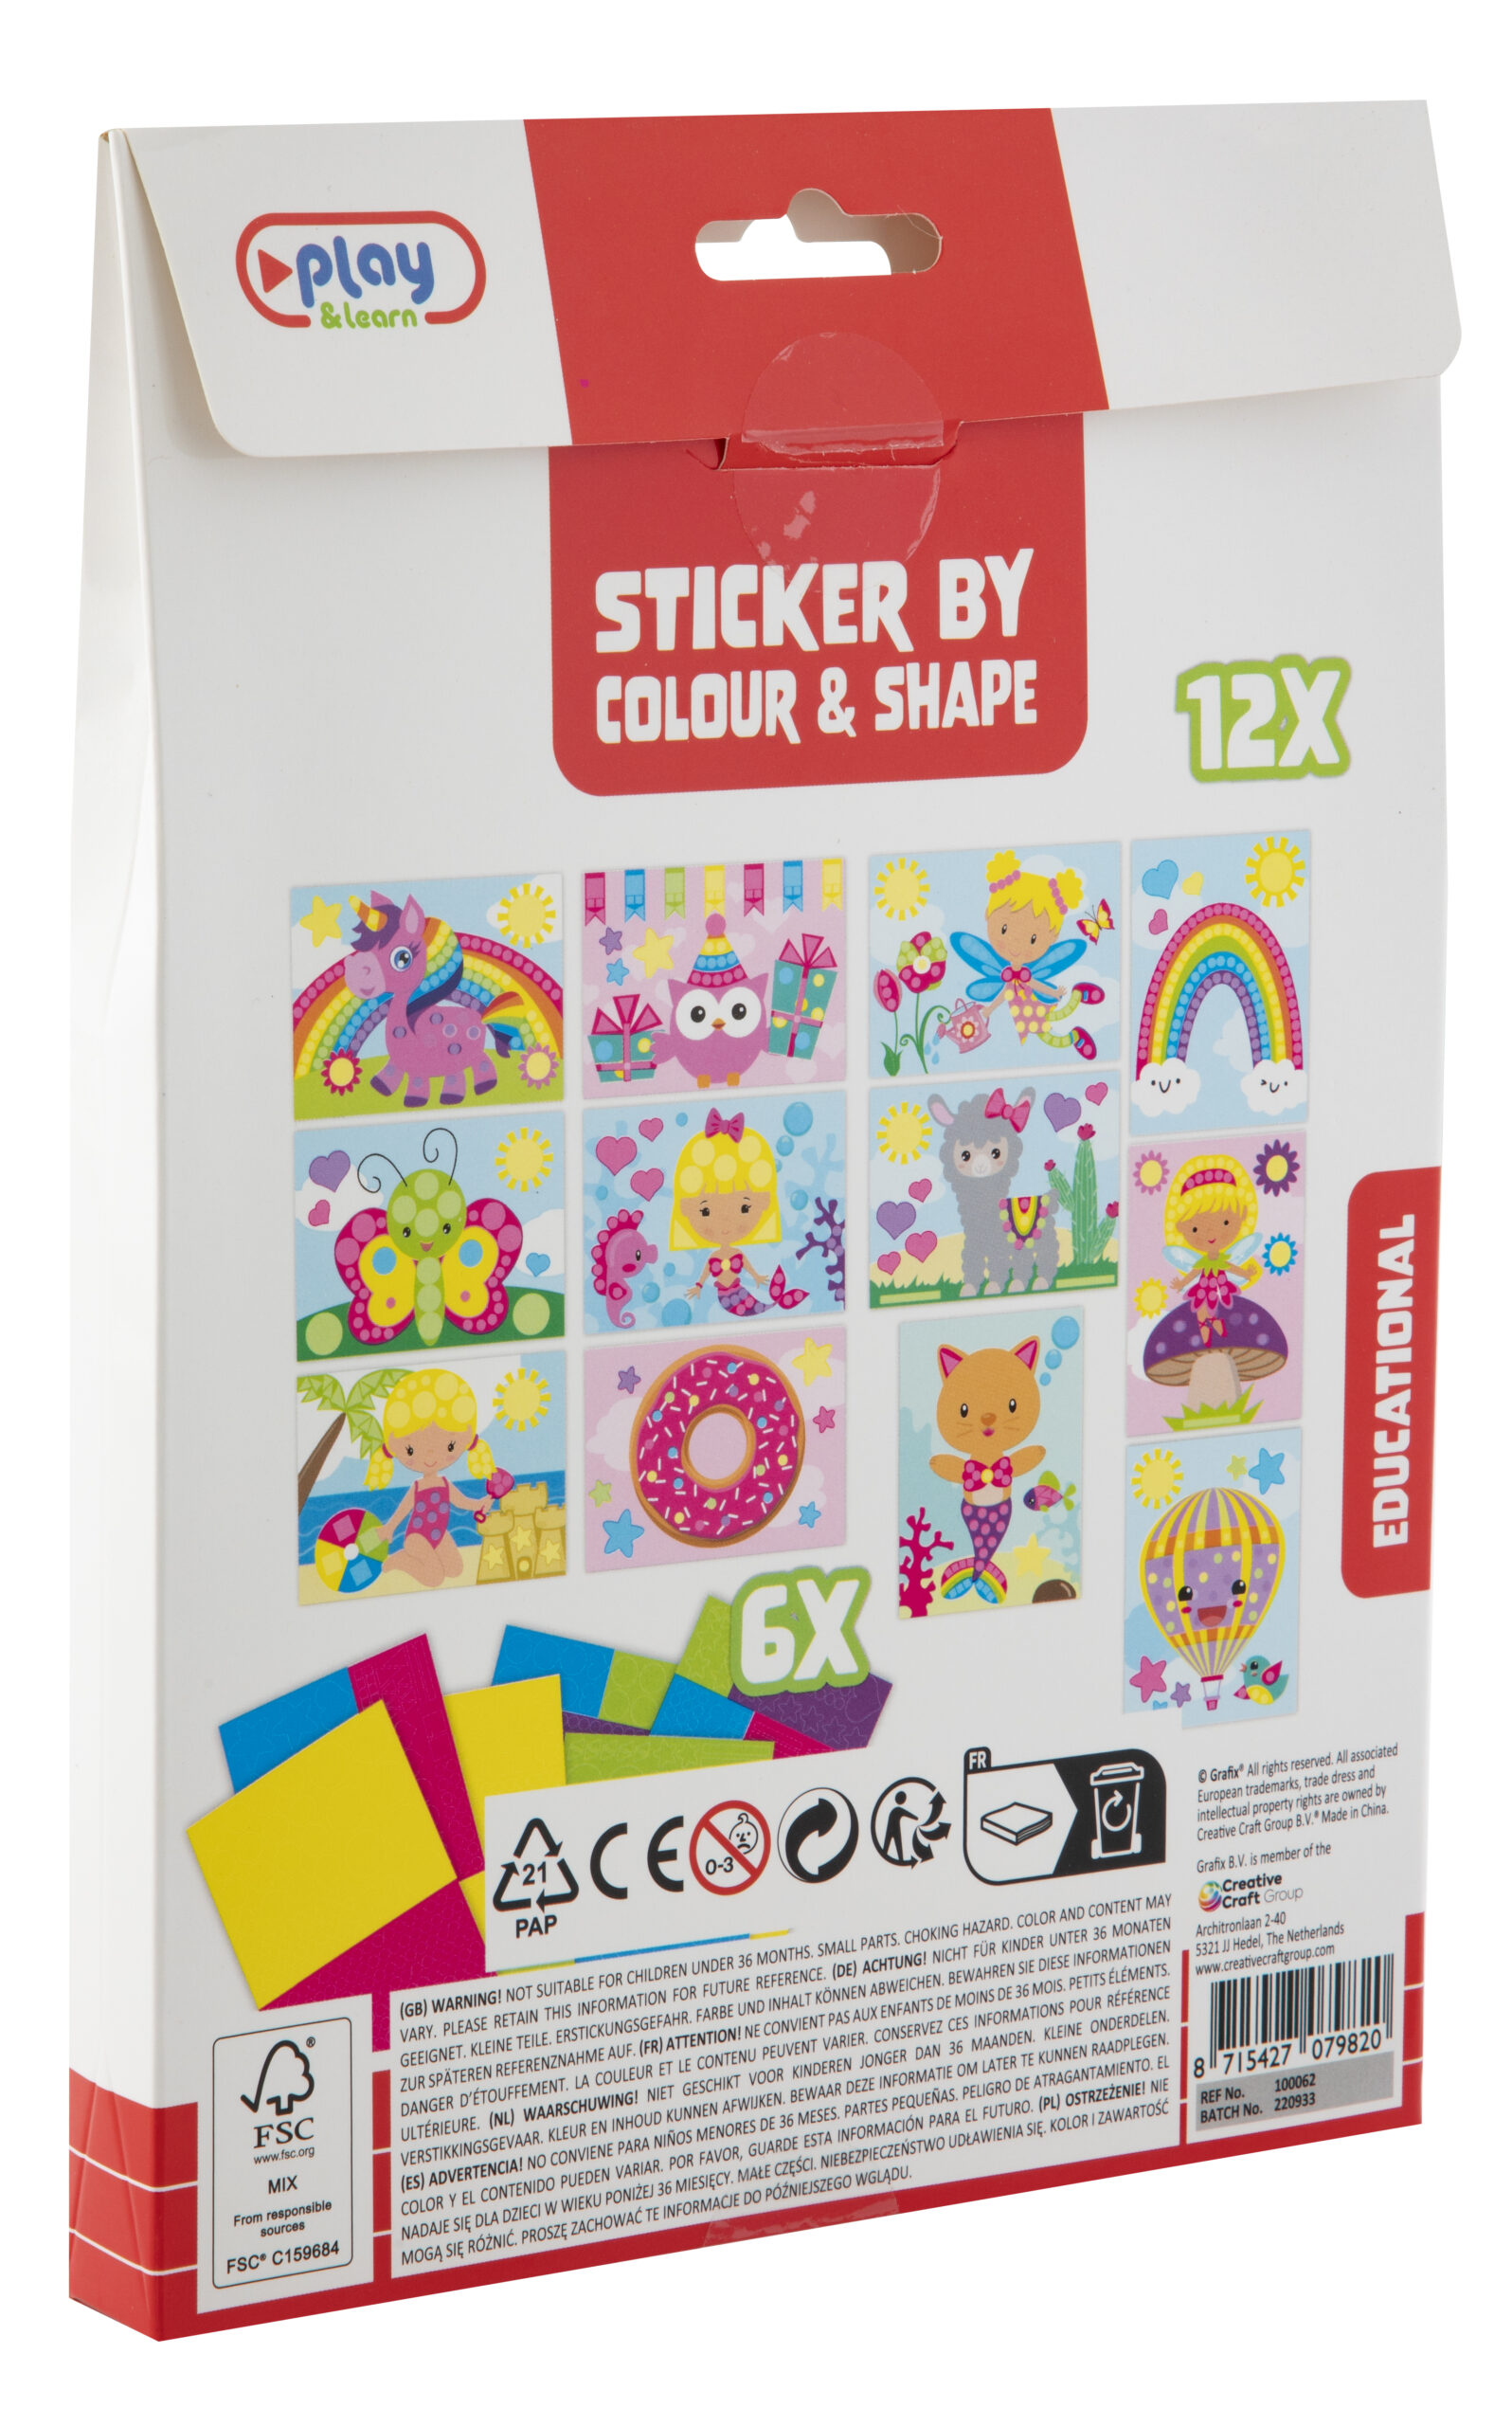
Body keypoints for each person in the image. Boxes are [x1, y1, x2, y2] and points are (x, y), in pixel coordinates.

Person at [367, 1367, 508, 1587]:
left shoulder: (444, 1484)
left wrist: (480, 1503)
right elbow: (403, 1510)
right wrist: (389, 1528)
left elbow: (462, 1502)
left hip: (438, 1534)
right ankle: (399, 1560)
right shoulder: (418, 1487)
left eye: (450, 1446)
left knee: (456, 1570)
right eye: (411, 1450)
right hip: (417, 1537)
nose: (430, 1457)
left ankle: (415, 1560)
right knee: (434, 1578)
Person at [671, 1110, 807, 1318]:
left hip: (738, 1292)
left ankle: (772, 1304)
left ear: (764, 1203)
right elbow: (705, 1273)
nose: (725, 1220)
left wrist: (757, 1277)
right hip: (724, 1296)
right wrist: (698, 1286)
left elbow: (748, 1268)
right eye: (706, 1211)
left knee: (757, 1307)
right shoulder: (713, 1257)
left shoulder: (738, 1254)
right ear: (687, 1209)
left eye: (744, 1209)